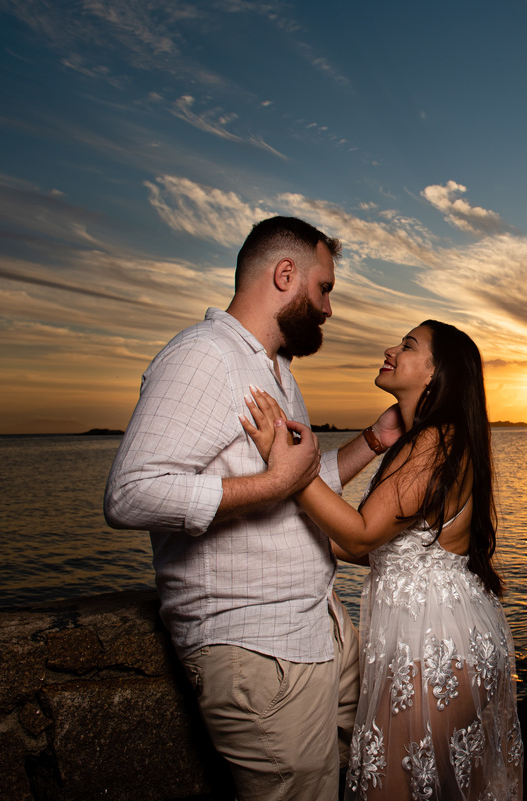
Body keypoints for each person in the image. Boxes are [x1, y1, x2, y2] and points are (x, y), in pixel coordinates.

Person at [104, 216, 403, 801]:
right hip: (258, 648)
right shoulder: (204, 356)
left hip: (316, 629)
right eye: (324, 289)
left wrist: (373, 440)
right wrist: (269, 485)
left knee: (360, 776)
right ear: (285, 274)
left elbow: (299, 483)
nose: (328, 308)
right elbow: (130, 493)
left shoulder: (275, 369)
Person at [241, 321, 523, 801]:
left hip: (433, 643)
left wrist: (290, 470)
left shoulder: (435, 442)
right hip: (439, 630)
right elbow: (357, 546)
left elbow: (360, 532)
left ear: (436, 374)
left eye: (408, 345)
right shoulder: (432, 440)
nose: (391, 349)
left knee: (390, 787)